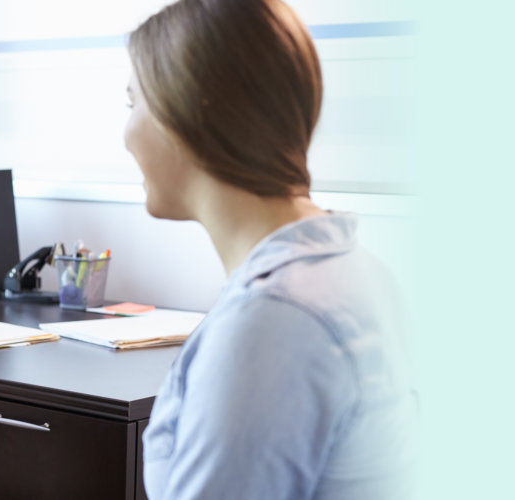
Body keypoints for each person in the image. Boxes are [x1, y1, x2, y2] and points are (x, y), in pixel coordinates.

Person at [124, 0, 417, 498]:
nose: (126, 137)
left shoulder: (273, 323)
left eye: (133, 103)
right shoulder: (354, 271)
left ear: (190, 110)